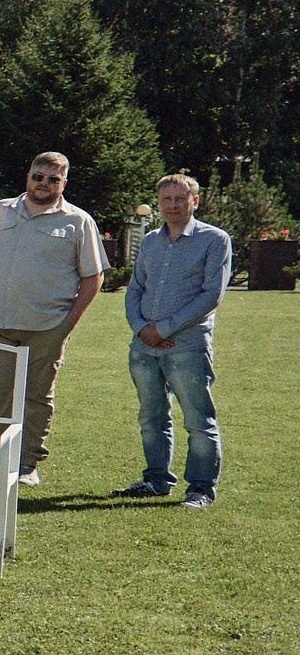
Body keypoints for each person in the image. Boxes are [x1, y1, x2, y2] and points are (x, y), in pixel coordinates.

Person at [0, 151, 107, 485]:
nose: (44, 184)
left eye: (53, 179)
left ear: (64, 183)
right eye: (38, 176)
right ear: (28, 175)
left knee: (37, 397)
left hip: (47, 326)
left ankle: (27, 464)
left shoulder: (78, 221)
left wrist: (67, 324)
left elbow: (93, 278)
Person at [116, 173, 230, 507]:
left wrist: (163, 329)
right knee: (151, 417)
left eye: (181, 198)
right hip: (143, 347)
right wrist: (141, 329)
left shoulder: (214, 240)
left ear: (195, 201)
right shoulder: (151, 241)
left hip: (188, 346)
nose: (174, 205)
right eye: (167, 199)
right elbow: (135, 288)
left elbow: (211, 295)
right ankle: (156, 480)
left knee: (197, 419)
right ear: (159, 203)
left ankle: (200, 489)